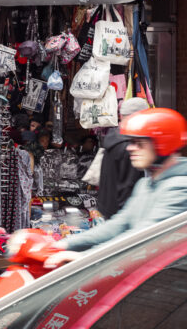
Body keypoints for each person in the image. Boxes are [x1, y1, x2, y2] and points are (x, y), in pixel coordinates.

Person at [45, 108, 187, 268]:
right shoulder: (145, 185)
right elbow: (119, 224)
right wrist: (65, 244)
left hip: (167, 278)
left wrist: (85, 257)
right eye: (131, 142)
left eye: (139, 144)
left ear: (163, 145)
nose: (130, 148)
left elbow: (142, 236)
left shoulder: (179, 188)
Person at [96, 97, 149, 219]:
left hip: (107, 209)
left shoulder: (113, 137)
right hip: (120, 215)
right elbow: (128, 187)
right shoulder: (129, 145)